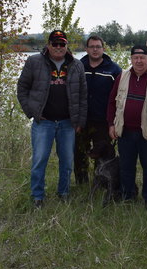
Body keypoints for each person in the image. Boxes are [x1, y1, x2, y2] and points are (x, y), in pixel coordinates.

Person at [17, 30, 87, 208]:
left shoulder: (76, 65)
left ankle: (63, 193)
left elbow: (83, 96)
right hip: (44, 122)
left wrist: (79, 121)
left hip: (67, 123)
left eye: (62, 44)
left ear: (67, 46)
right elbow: (22, 88)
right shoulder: (34, 62)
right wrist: (31, 111)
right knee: (39, 160)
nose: (58, 47)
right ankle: (38, 196)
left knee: (67, 162)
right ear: (48, 45)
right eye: (54, 44)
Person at [107, 44, 147, 208]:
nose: (139, 61)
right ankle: (128, 197)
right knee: (126, 168)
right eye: (135, 58)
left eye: (142, 58)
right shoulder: (122, 76)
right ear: (131, 59)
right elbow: (111, 102)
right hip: (125, 132)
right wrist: (111, 124)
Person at [74, 35, 122, 185]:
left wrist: (114, 122)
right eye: (92, 47)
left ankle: (101, 185)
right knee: (79, 153)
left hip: (103, 121)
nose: (95, 49)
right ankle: (81, 183)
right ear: (86, 49)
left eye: (98, 47)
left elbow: (120, 97)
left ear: (103, 49)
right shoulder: (78, 67)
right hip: (82, 120)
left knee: (102, 155)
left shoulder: (114, 69)